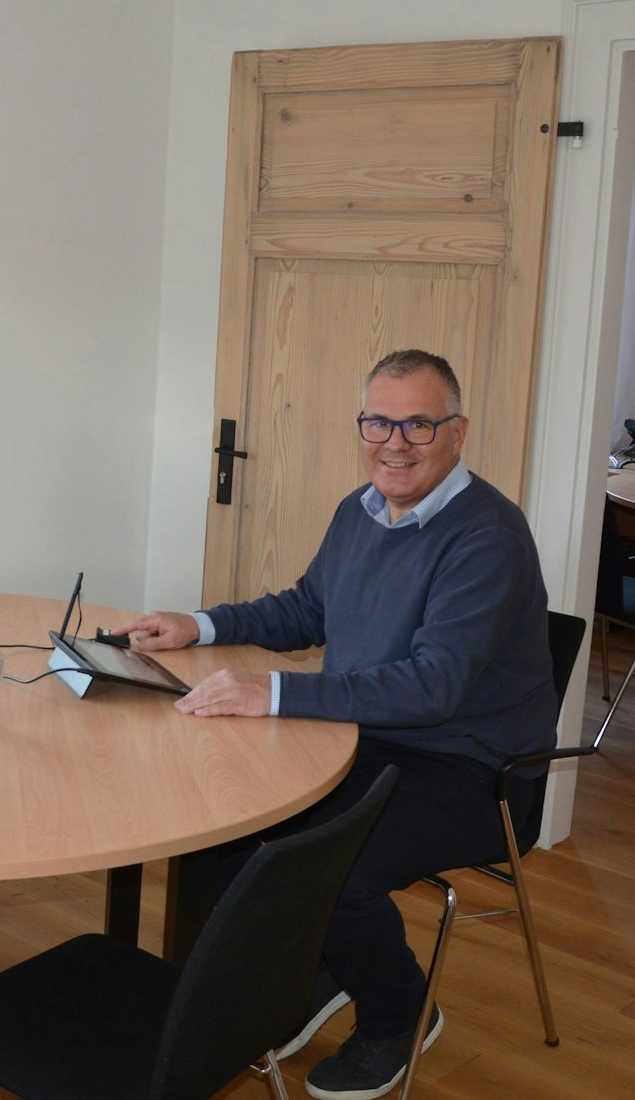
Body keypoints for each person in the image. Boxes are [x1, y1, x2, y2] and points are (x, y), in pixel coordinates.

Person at [113, 349, 556, 1100]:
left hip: (473, 767)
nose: (396, 442)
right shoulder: (361, 509)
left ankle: (399, 1014)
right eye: (379, 421)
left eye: (419, 423)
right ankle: (291, 981)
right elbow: (306, 610)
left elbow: (434, 686)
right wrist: (198, 624)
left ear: (458, 432)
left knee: (327, 863)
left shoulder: (487, 536)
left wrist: (276, 694)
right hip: (369, 733)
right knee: (227, 815)